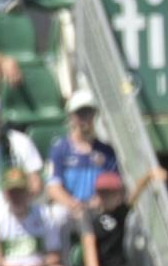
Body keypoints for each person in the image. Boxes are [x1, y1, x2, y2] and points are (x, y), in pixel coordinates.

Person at [80, 165, 163, 266]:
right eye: (102, 193)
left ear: (119, 194)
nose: (106, 197)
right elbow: (88, 242)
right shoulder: (89, 215)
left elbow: (135, 193)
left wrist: (148, 176)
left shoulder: (120, 212)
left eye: (110, 193)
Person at [45, 88, 120, 218]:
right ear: (72, 116)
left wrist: (101, 200)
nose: (85, 118)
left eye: (89, 113)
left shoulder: (106, 151)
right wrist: (72, 204)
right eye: (80, 113)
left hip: (99, 211)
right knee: (57, 215)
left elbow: (114, 184)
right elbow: (53, 187)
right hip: (69, 211)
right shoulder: (60, 149)